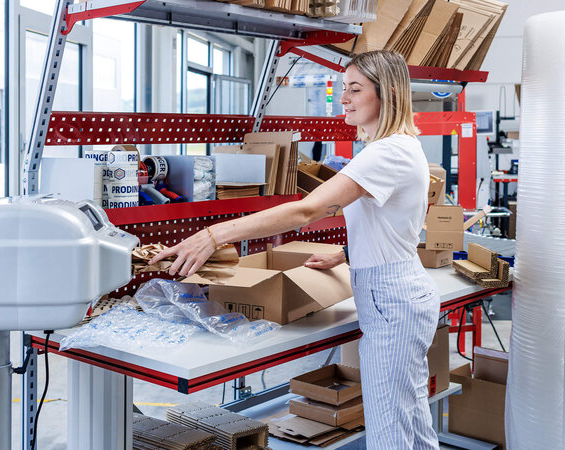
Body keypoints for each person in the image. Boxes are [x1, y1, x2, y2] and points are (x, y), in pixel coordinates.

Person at [149, 50, 440, 450]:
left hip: (391, 298)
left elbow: (307, 209)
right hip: (397, 288)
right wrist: (345, 255)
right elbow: (394, 224)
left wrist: (216, 234)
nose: (345, 99)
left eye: (355, 89)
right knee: (409, 415)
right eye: (344, 89)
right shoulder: (401, 146)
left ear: (388, 92)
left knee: (390, 426)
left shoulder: (386, 152)